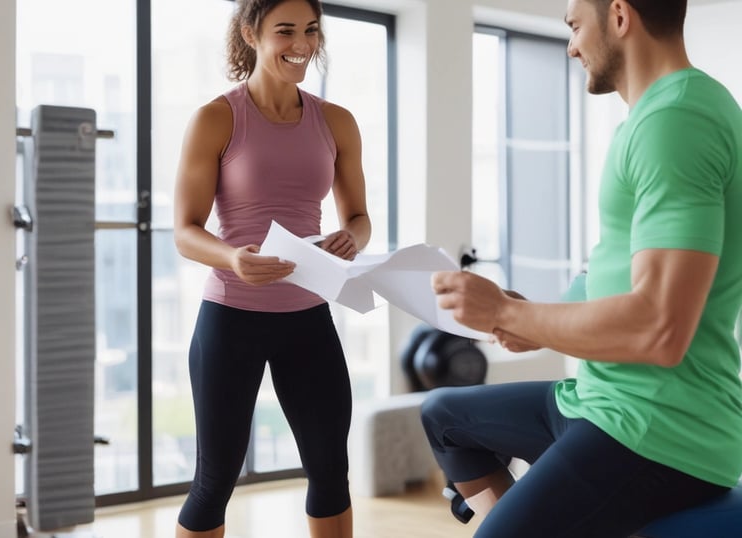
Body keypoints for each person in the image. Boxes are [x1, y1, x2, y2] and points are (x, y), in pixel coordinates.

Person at [421, 0, 742, 537]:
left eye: (574, 26)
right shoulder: (653, 116)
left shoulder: (676, 121)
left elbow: (661, 328)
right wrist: (525, 317)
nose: (570, 46)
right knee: (445, 417)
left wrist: (502, 309)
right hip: (600, 400)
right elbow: (611, 272)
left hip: (658, 429)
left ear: (619, 16)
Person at [172, 0, 371, 536]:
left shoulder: (336, 121)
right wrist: (233, 257)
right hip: (231, 318)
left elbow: (358, 217)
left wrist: (350, 238)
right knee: (215, 480)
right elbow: (185, 232)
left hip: (308, 318)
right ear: (250, 34)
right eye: (285, 30)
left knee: (331, 470)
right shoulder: (218, 117)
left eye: (310, 29)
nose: (302, 43)